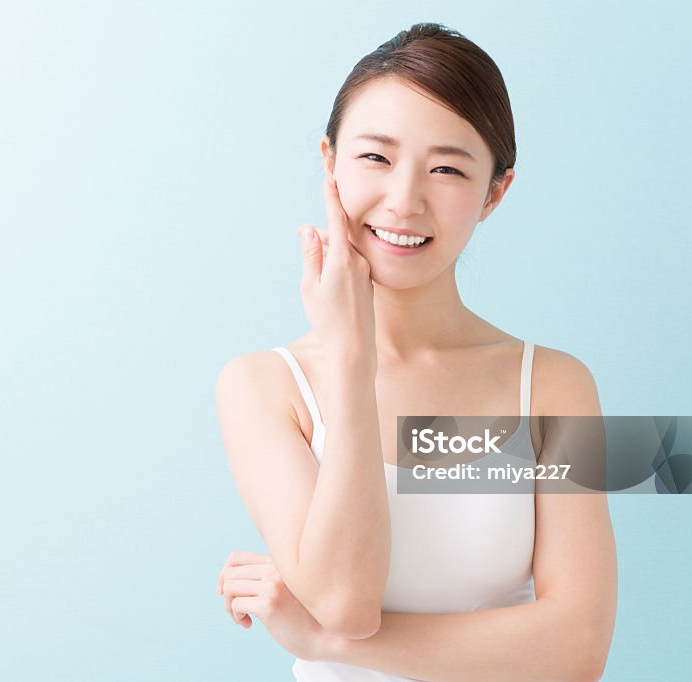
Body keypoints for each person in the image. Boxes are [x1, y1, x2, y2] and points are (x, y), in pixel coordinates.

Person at [215, 22, 617, 682]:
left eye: (447, 169)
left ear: (495, 193)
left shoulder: (552, 386)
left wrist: (324, 645)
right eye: (375, 158)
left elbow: (577, 648)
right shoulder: (263, 387)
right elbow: (347, 601)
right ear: (329, 162)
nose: (403, 201)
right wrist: (351, 363)